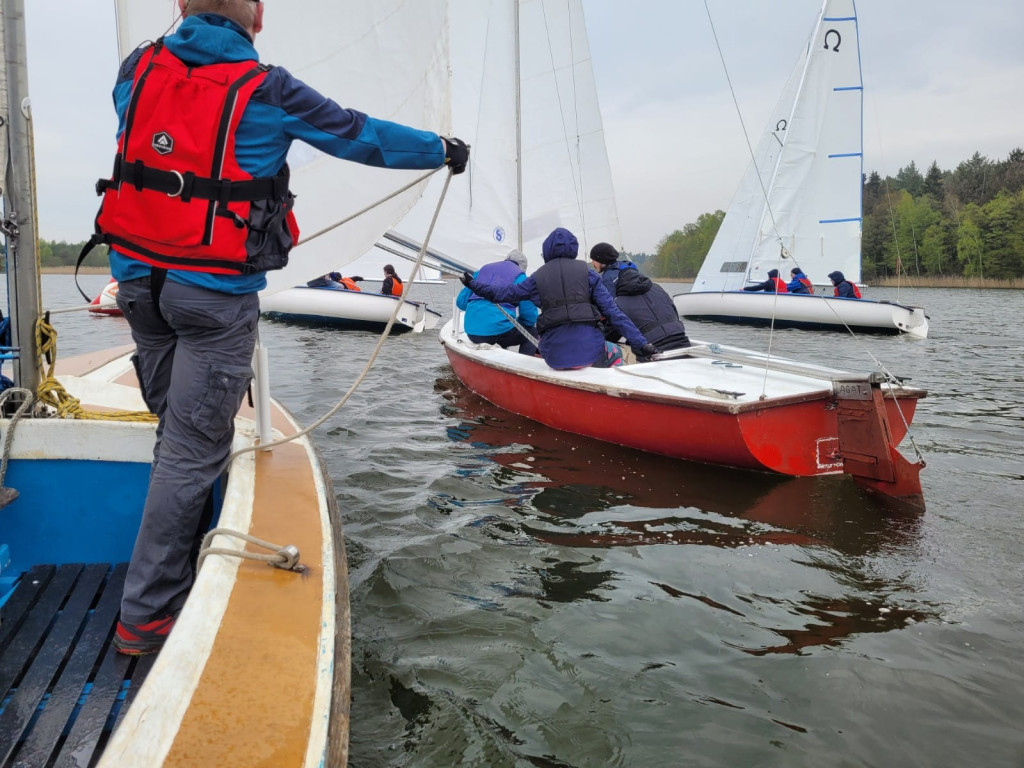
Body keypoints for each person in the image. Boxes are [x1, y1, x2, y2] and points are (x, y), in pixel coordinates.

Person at [93, 0, 469, 655]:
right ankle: (145, 618)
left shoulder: (138, 67)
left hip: (139, 287)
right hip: (212, 298)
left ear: (181, 7)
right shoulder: (268, 88)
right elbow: (360, 134)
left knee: (177, 434)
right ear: (258, 18)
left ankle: (175, 535)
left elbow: (149, 120)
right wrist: (440, 150)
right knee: (188, 450)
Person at [461, 227, 656, 369]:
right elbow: (614, 314)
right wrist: (642, 344)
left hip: (554, 357)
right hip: (589, 353)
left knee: (540, 334)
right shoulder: (589, 274)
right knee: (616, 350)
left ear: (547, 251)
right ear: (574, 249)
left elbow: (500, 295)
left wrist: (473, 284)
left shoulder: (537, 277)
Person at [455, 249, 538, 355]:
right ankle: (524, 364)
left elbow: (461, 303)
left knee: (505, 327)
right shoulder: (521, 277)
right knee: (532, 333)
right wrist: (518, 321)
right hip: (498, 332)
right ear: (522, 267)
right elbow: (529, 317)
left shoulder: (481, 271)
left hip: (472, 333)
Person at [612, 269, 690, 358]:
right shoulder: (658, 288)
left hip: (651, 349)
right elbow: (674, 311)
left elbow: (614, 334)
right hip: (681, 340)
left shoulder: (618, 302)